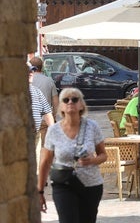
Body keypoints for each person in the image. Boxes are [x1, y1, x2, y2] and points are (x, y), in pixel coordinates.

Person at [37, 88, 107, 223]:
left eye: (75, 99)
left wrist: (91, 160)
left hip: (90, 184)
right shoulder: (54, 131)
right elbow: (45, 162)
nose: (70, 102)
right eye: (66, 100)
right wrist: (40, 191)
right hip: (64, 183)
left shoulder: (92, 127)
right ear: (61, 106)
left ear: (81, 105)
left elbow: (103, 155)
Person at [29, 57, 59, 142]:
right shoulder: (49, 81)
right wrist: (54, 116)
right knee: (44, 148)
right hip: (44, 121)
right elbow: (56, 102)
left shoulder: (27, 81)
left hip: (31, 122)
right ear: (42, 67)